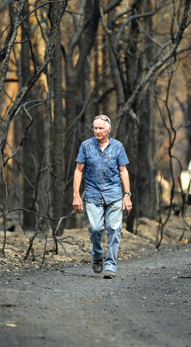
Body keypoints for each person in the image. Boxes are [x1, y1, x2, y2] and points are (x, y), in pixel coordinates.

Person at [73, 114, 132, 279]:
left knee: (114, 229)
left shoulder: (118, 147)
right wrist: (76, 196)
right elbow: (78, 171)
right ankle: (97, 255)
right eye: (95, 128)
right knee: (96, 228)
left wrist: (127, 195)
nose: (97, 131)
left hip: (114, 194)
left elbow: (123, 171)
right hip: (92, 194)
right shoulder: (86, 146)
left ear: (109, 129)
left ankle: (110, 266)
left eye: (101, 128)